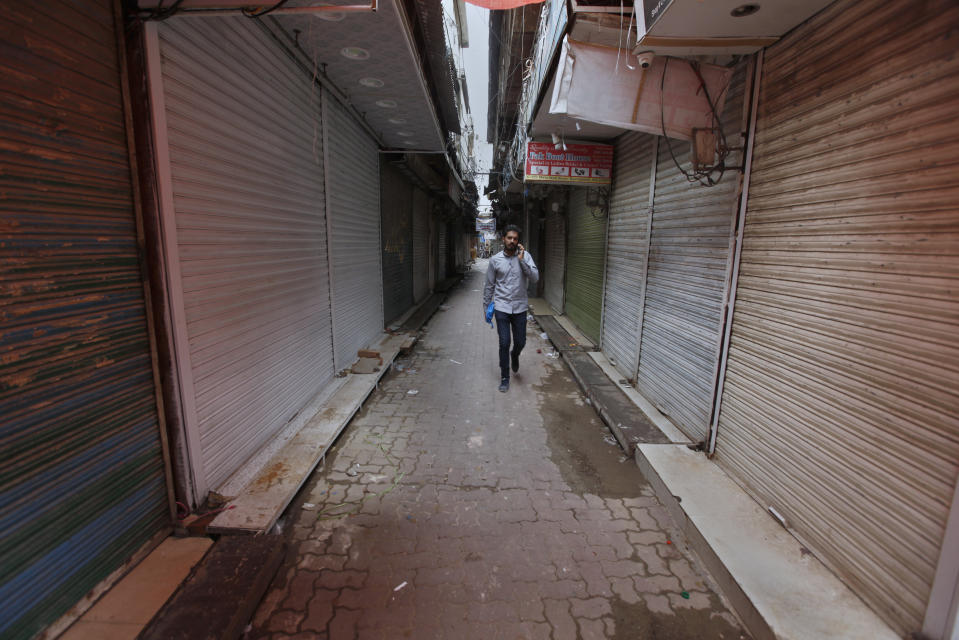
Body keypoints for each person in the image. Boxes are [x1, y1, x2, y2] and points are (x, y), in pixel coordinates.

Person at [483, 224, 539, 393]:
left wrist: (522, 262)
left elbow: (535, 278)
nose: (512, 241)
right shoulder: (495, 260)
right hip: (501, 306)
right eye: (509, 238)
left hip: (520, 307)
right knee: (504, 342)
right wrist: (486, 307)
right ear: (503, 239)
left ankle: (515, 355)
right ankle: (505, 377)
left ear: (518, 241)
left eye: (515, 238)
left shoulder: (525, 256)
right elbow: (489, 285)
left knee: (520, 342)